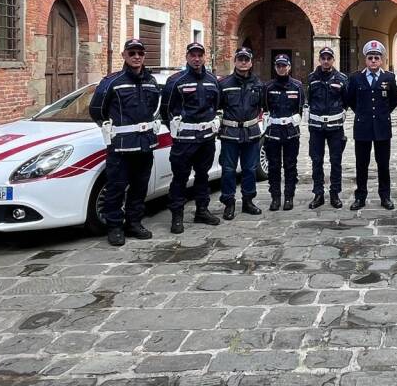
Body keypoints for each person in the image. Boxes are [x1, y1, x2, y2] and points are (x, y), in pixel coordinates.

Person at [88, 38, 160, 246]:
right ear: (124, 55)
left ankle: (134, 223)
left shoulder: (151, 81)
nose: (136, 57)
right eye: (132, 53)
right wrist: (113, 129)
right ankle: (115, 227)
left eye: (140, 53)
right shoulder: (112, 82)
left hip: (145, 144)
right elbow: (96, 110)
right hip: (120, 146)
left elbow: (154, 106)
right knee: (116, 188)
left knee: (139, 187)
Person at [162, 42, 222, 235]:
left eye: (200, 55)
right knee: (180, 178)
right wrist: (176, 128)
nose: (196, 59)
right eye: (193, 55)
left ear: (204, 57)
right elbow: (166, 110)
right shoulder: (176, 81)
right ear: (187, 57)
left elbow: (217, 105)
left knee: (203, 176)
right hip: (184, 141)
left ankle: (202, 211)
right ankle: (177, 216)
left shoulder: (212, 80)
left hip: (206, 139)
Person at [346, 40, 397, 210]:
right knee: (362, 164)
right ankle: (360, 197)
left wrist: (381, 116)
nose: (373, 60)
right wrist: (364, 114)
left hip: (382, 128)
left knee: (383, 164)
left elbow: (393, 102)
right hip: (363, 127)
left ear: (381, 59)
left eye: (376, 57)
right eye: (370, 58)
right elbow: (351, 101)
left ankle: (385, 197)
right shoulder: (355, 78)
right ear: (365, 60)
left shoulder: (388, 78)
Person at [218, 47, 265, 220]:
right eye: (240, 59)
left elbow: (262, 107)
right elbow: (217, 107)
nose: (243, 62)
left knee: (250, 169)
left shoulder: (258, 84)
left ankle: (248, 201)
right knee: (229, 170)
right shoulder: (224, 84)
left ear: (251, 62)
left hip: (251, 133)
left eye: (246, 59)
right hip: (230, 133)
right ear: (235, 61)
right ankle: (229, 203)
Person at [306, 46, 349, 210]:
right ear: (319, 59)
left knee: (336, 161)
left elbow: (346, 102)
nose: (325, 61)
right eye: (323, 58)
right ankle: (318, 194)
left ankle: (335, 193)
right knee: (316, 161)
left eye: (328, 58)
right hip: (316, 127)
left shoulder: (342, 78)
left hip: (335, 127)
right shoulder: (312, 78)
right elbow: (309, 100)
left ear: (333, 60)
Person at [263, 54, 305, 211]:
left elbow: (300, 108)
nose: (281, 69)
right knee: (273, 166)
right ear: (275, 68)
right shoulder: (268, 87)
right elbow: (265, 108)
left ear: (289, 67)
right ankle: (275, 198)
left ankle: (289, 197)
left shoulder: (297, 86)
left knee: (290, 165)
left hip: (291, 132)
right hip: (273, 132)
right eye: (278, 66)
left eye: (284, 66)